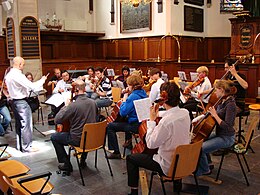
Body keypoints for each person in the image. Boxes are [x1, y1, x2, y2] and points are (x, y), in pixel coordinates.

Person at [126, 81, 190, 195]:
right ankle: (177, 186)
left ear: (163, 98)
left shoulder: (166, 123)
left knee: (131, 158)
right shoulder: (185, 113)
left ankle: (133, 192)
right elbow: (170, 114)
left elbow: (150, 143)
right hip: (184, 161)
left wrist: (151, 121)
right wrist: (157, 114)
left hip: (168, 165)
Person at [51, 79, 98, 172]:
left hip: (77, 140)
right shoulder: (93, 102)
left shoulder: (73, 105)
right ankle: (83, 161)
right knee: (86, 131)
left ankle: (66, 164)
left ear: (75, 90)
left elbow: (57, 120)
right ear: (84, 89)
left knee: (54, 137)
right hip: (92, 139)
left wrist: (66, 106)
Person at [5, 56, 47, 152]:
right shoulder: (18, 75)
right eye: (23, 65)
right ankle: (27, 147)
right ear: (19, 64)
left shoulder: (9, 75)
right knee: (26, 125)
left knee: (19, 124)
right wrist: (42, 80)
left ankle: (20, 146)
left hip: (14, 101)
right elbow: (32, 86)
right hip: (21, 102)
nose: (23, 67)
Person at [195, 80, 237, 176]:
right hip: (220, 134)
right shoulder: (222, 101)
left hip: (227, 137)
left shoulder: (231, 105)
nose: (215, 92)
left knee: (200, 149)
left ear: (221, 90)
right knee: (200, 141)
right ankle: (208, 163)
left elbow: (227, 126)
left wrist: (215, 115)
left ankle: (205, 170)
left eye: (216, 90)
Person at [106, 74, 147, 159]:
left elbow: (122, 112)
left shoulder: (132, 96)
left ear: (131, 85)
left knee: (110, 126)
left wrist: (125, 96)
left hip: (136, 125)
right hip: (143, 123)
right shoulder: (143, 92)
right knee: (124, 120)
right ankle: (128, 143)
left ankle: (116, 152)